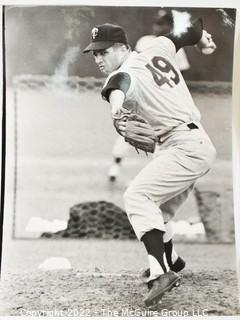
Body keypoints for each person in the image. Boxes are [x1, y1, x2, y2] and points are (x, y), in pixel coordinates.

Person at [83, 20, 216, 306]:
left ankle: (161, 273)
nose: (98, 58)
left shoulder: (124, 72)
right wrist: (204, 38)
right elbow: (188, 29)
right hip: (188, 143)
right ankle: (173, 261)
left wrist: (116, 108)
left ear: (123, 47)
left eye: (104, 52)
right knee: (155, 211)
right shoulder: (157, 48)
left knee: (137, 196)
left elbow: (119, 85)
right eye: (94, 53)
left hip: (184, 146)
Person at [108, 9, 191, 182]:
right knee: (129, 130)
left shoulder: (176, 48)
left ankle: (163, 173)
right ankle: (115, 165)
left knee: (164, 137)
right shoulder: (145, 41)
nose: (156, 27)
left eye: (161, 24)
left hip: (163, 102)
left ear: (170, 26)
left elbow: (182, 78)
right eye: (155, 23)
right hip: (142, 96)